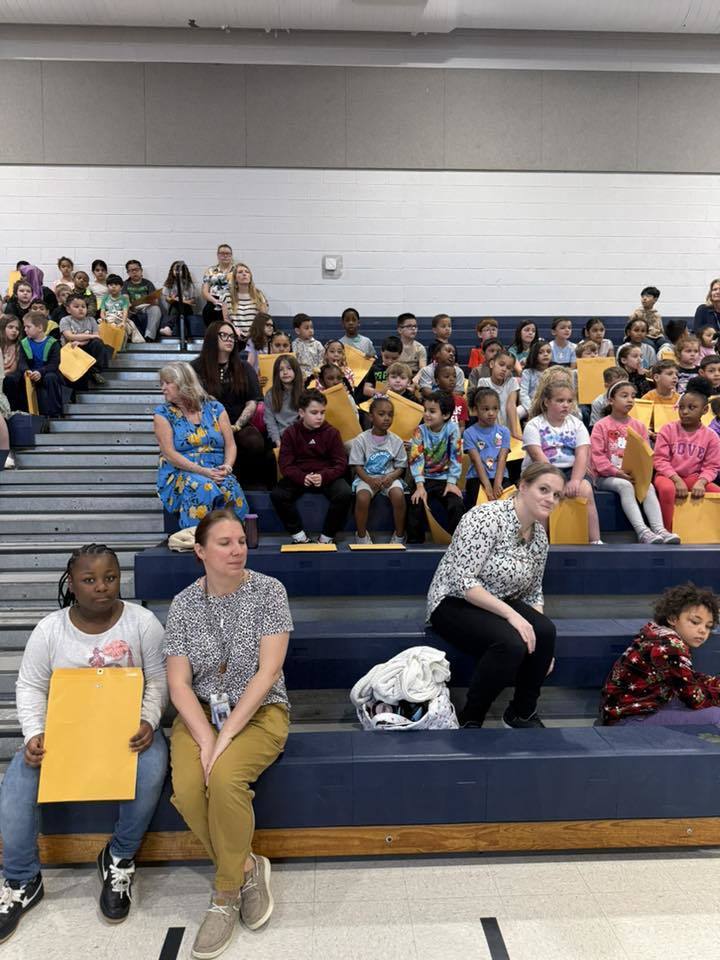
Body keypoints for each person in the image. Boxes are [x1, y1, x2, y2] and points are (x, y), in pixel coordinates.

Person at [0, 544, 168, 940]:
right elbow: (29, 686)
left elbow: (159, 680)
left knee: (152, 766)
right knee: (17, 782)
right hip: (65, 732)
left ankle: (118, 857)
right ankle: (22, 879)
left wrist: (148, 720)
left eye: (110, 578)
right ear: (72, 584)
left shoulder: (142, 623)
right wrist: (34, 732)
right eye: (89, 580)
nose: (102, 587)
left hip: (127, 730)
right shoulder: (51, 629)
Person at [164, 509, 291, 959]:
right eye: (224, 542)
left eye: (240, 540)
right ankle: (248, 866)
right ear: (199, 551)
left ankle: (224, 895)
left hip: (259, 710)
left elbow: (268, 670)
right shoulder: (182, 605)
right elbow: (178, 684)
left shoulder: (269, 592)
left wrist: (223, 739)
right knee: (187, 789)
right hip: (200, 713)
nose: (237, 549)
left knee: (223, 779)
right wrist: (204, 738)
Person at [428, 462, 565, 728]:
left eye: (556, 495)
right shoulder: (485, 518)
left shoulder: (539, 537)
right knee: (511, 643)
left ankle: (521, 712)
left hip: (500, 602)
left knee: (546, 631)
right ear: (523, 487)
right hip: (453, 600)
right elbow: (464, 580)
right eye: (544, 489)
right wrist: (514, 617)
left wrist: (540, 647)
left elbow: (534, 591)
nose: (550, 499)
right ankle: (472, 717)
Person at [600, 583, 720, 726]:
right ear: (672, 618)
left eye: (708, 626)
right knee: (716, 715)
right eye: (695, 622)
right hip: (629, 718)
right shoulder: (671, 646)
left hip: (635, 707)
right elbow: (693, 698)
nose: (702, 630)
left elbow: (687, 678)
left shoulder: (659, 634)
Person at [153, 361, 248, 529]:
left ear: (183, 383)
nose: (163, 388)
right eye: (162, 384)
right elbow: (168, 453)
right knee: (203, 487)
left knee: (230, 488)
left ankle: (231, 539)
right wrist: (203, 471)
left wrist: (227, 467)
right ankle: (198, 540)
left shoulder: (215, 408)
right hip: (181, 472)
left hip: (216, 470)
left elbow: (231, 445)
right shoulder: (163, 413)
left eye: (168, 383)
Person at [590, 380, 678, 544]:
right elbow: (597, 457)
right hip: (606, 476)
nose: (630, 400)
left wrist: (640, 473)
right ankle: (642, 531)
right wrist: (616, 472)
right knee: (625, 486)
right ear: (611, 400)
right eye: (624, 396)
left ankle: (659, 529)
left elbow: (645, 454)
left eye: (633, 396)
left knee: (648, 486)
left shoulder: (639, 426)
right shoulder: (601, 426)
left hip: (632, 474)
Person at [522, 379, 602, 543]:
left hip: (571, 470)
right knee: (542, 495)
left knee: (585, 490)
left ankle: (595, 540)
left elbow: (582, 454)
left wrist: (575, 480)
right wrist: (557, 483)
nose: (566, 405)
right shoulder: (533, 425)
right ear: (546, 402)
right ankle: (539, 543)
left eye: (569, 401)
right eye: (560, 401)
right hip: (542, 471)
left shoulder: (577, 425)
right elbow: (538, 457)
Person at [191, 321, 267, 489]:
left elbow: (252, 402)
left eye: (232, 336)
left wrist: (237, 426)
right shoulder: (195, 368)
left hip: (237, 423)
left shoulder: (245, 367)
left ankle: (247, 488)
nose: (229, 339)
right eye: (223, 335)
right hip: (206, 425)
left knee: (254, 441)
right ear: (212, 338)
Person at [270, 389, 351, 545]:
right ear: (301, 412)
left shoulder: (332, 433)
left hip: (325, 477)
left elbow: (340, 464)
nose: (319, 417)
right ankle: (300, 537)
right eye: (314, 412)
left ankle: (326, 538)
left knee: (345, 493)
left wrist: (323, 476)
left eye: (322, 412)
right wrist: (302, 477)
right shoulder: (290, 433)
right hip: (300, 476)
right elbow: (285, 464)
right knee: (278, 494)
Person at [652, 379, 720, 531]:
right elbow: (660, 460)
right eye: (681, 407)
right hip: (666, 475)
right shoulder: (667, 429)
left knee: (716, 492)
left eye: (691, 407)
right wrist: (676, 479)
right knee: (667, 489)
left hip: (693, 477)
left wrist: (702, 482)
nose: (685, 412)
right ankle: (666, 530)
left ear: (704, 410)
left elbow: (712, 466)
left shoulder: (711, 436)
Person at [406, 391, 464, 543]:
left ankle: (456, 541)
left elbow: (456, 457)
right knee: (415, 502)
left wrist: (451, 482)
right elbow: (416, 459)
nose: (427, 414)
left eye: (432, 411)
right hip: (423, 478)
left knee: (456, 504)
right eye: (425, 410)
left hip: (445, 479)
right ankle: (414, 542)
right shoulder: (419, 431)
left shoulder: (452, 429)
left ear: (445, 415)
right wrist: (419, 485)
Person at [349, 395, 407, 544]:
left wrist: (391, 477)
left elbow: (401, 466)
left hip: (389, 477)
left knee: (398, 495)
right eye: (381, 414)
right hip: (366, 477)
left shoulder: (396, 440)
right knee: (362, 498)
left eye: (390, 415)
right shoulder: (361, 439)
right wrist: (369, 480)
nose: (386, 418)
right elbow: (358, 466)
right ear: (370, 417)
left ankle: (399, 534)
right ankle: (361, 536)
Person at [463, 387, 511, 507]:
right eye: (485, 409)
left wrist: (497, 482)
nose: (491, 413)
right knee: (479, 505)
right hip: (477, 477)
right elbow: (477, 461)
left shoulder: (504, 431)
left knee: (508, 505)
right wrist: (488, 487)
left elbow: (502, 458)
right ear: (475, 410)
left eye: (495, 408)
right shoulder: (469, 433)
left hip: (500, 476)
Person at [17, 311, 63, 418]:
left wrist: (40, 372)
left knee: (51, 377)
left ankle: (55, 413)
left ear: (40, 328)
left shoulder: (54, 343)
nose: (25, 330)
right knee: (14, 378)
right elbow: (21, 362)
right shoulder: (24, 343)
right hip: (30, 374)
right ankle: (21, 413)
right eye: (25, 327)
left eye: (28, 327)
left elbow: (53, 364)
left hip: (46, 373)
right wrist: (27, 371)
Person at [59, 294, 107, 386]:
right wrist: (90, 336)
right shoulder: (65, 320)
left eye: (83, 306)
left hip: (84, 346)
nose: (81, 309)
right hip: (72, 349)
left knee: (98, 343)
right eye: (76, 306)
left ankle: (95, 371)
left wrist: (81, 342)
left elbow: (96, 337)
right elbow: (70, 336)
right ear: (68, 309)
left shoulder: (91, 320)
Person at [473, 348, 522, 437]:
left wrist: (514, 432)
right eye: (501, 365)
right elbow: (484, 409)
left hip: (506, 430)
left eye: (508, 368)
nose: (504, 369)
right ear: (492, 364)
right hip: (487, 430)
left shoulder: (512, 382)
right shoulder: (483, 382)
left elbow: (511, 406)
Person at [223, 263, 268, 345]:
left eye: (247, 272)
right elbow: (226, 319)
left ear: (250, 277)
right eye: (240, 272)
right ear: (235, 278)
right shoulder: (227, 296)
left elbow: (263, 318)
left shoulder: (258, 295)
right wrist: (235, 331)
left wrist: (251, 333)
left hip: (255, 335)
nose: (244, 274)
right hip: (236, 335)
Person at [263, 354, 302, 448]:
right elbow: (270, 421)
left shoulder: (303, 392)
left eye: (289, 368)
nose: (285, 372)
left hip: (299, 435)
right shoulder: (270, 395)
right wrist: (278, 442)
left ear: (296, 371)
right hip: (280, 437)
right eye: (281, 370)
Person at [122, 260, 163, 342]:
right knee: (123, 310)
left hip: (146, 307)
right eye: (131, 270)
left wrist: (150, 301)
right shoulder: (125, 284)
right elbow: (125, 299)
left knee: (156, 309)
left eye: (136, 269)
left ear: (141, 270)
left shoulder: (148, 283)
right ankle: (126, 338)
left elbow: (155, 301)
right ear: (128, 273)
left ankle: (149, 337)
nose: (134, 272)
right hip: (132, 308)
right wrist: (129, 306)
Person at [100, 273, 144, 344]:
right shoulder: (105, 298)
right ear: (107, 286)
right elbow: (102, 311)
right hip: (108, 317)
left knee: (126, 326)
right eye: (111, 285)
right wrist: (103, 318)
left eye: (116, 285)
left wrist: (123, 322)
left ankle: (121, 344)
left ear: (121, 287)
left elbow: (125, 312)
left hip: (120, 317)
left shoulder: (124, 299)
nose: (113, 287)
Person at [201, 243, 235, 328]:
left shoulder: (237, 270)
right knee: (209, 311)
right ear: (218, 255)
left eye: (227, 253)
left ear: (231, 256)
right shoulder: (210, 270)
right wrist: (215, 301)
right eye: (222, 253)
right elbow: (205, 291)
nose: (225, 256)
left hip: (231, 301)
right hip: (214, 301)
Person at [162, 261, 197, 338]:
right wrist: (173, 299)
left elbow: (192, 301)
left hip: (187, 308)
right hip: (174, 307)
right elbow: (167, 298)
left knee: (181, 305)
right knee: (176, 306)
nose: (177, 272)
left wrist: (182, 301)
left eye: (180, 270)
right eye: (175, 270)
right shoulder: (169, 283)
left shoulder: (189, 284)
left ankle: (169, 327)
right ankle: (173, 330)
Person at [519, 339, 552, 414]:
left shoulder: (554, 372)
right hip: (530, 404)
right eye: (541, 352)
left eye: (548, 352)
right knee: (516, 412)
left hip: (550, 405)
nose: (546, 354)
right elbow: (523, 394)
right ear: (534, 354)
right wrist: (531, 409)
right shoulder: (527, 372)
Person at [291, 314, 324, 381]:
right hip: (301, 378)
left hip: (317, 377)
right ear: (297, 331)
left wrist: (319, 370)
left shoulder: (317, 344)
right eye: (306, 328)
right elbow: (293, 363)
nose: (310, 330)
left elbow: (322, 360)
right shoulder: (294, 345)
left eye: (311, 327)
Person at [0, 315, 22, 412]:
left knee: (10, 380)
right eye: (10, 327)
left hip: (8, 377)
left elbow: (13, 369)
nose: (14, 331)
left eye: (17, 329)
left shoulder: (19, 347)